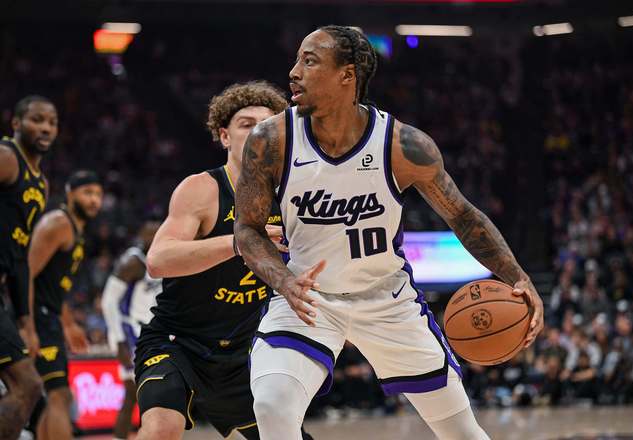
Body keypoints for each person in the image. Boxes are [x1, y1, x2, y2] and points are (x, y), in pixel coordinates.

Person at [234, 25, 545, 440]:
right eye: (296, 60)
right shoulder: (271, 140)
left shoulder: (404, 146)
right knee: (272, 404)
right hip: (306, 297)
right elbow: (247, 230)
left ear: (347, 75)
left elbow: (463, 217)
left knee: (462, 433)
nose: (293, 72)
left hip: (387, 300)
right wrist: (283, 280)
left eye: (309, 61)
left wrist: (518, 277)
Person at [134, 81, 293, 440]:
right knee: (161, 429)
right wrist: (239, 242)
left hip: (243, 355)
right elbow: (157, 260)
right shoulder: (202, 189)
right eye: (246, 124)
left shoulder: (291, 198)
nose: (258, 132)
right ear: (224, 136)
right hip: (178, 342)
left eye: (267, 126)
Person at [28, 170, 104, 440]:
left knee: (50, 397)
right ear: (70, 194)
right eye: (87, 193)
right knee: (59, 394)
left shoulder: (76, 231)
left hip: (47, 317)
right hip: (36, 318)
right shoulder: (59, 224)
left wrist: (69, 324)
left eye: (98, 194)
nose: (94, 200)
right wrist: (27, 325)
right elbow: (25, 275)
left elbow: (52, 290)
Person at [0, 95, 57, 440]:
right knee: (27, 385)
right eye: (37, 120)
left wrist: (26, 323)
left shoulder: (41, 184)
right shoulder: (7, 157)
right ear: (17, 124)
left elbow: (20, 258)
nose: (46, 128)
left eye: (51, 122)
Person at [101, 220, 161, 440]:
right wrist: (118, 341)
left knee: (151, 394)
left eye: (157, 234)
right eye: (149, 234)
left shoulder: (163, 258)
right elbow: (108, 301)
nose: (153, 238)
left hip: (153, 330)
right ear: (141, 237)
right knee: (133, 394)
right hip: (130, 331)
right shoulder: (132, 262)